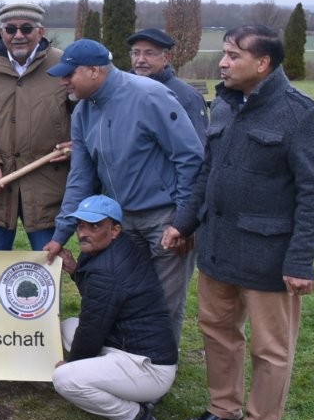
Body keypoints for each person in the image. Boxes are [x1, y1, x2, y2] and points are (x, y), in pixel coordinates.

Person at [162, 25, 314, 420]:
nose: (223, 62)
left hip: (268, 256)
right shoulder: (224, 105)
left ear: (263, 63)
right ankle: (224, 409)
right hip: (217, 248)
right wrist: (184, 223)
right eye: (224, 53)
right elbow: (208, 171)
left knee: (270, 348)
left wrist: (300, 261)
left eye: (233, 55)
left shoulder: (302, 116)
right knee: (217, 331)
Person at [44, 39, 203, 349]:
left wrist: (184, 221)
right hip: (121, 220)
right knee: (126, 294)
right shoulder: (83, 112)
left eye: (69, 74)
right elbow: (80, 176)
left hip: (165, 217)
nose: (63, 81)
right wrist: (61, 234)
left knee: (164, 301)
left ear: (94, 71)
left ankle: (158, 367)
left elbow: (189, 158)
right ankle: (127, 359)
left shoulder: (150, 96)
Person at [53, 195, 177, 420]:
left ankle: (134, 418)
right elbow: (103, 302)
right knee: (67, 327)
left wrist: (72, 364)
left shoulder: (108, 268)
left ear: (115, 229)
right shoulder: (115, 248)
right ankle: (130, 392)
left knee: (64, 379)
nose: (83, 233)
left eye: (94, 226)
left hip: (150, 368)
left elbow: (92, 329)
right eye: (80, 225)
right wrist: (75, 271)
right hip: (129, 346)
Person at [0, 2, 71, 251]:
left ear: (40, 31)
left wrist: (76, 145)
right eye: (10, 29)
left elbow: (84, 115)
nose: (18, 35)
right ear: (2, 32)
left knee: (47, 263)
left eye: (26, 28)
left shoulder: (62, 63)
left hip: (47, 185)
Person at [127, 28, 207, 145]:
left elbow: (198, 146)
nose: (140, 60)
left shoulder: (187, 97)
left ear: (166, 58)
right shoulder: (122, 91)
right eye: (136, 53)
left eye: (149, 53)